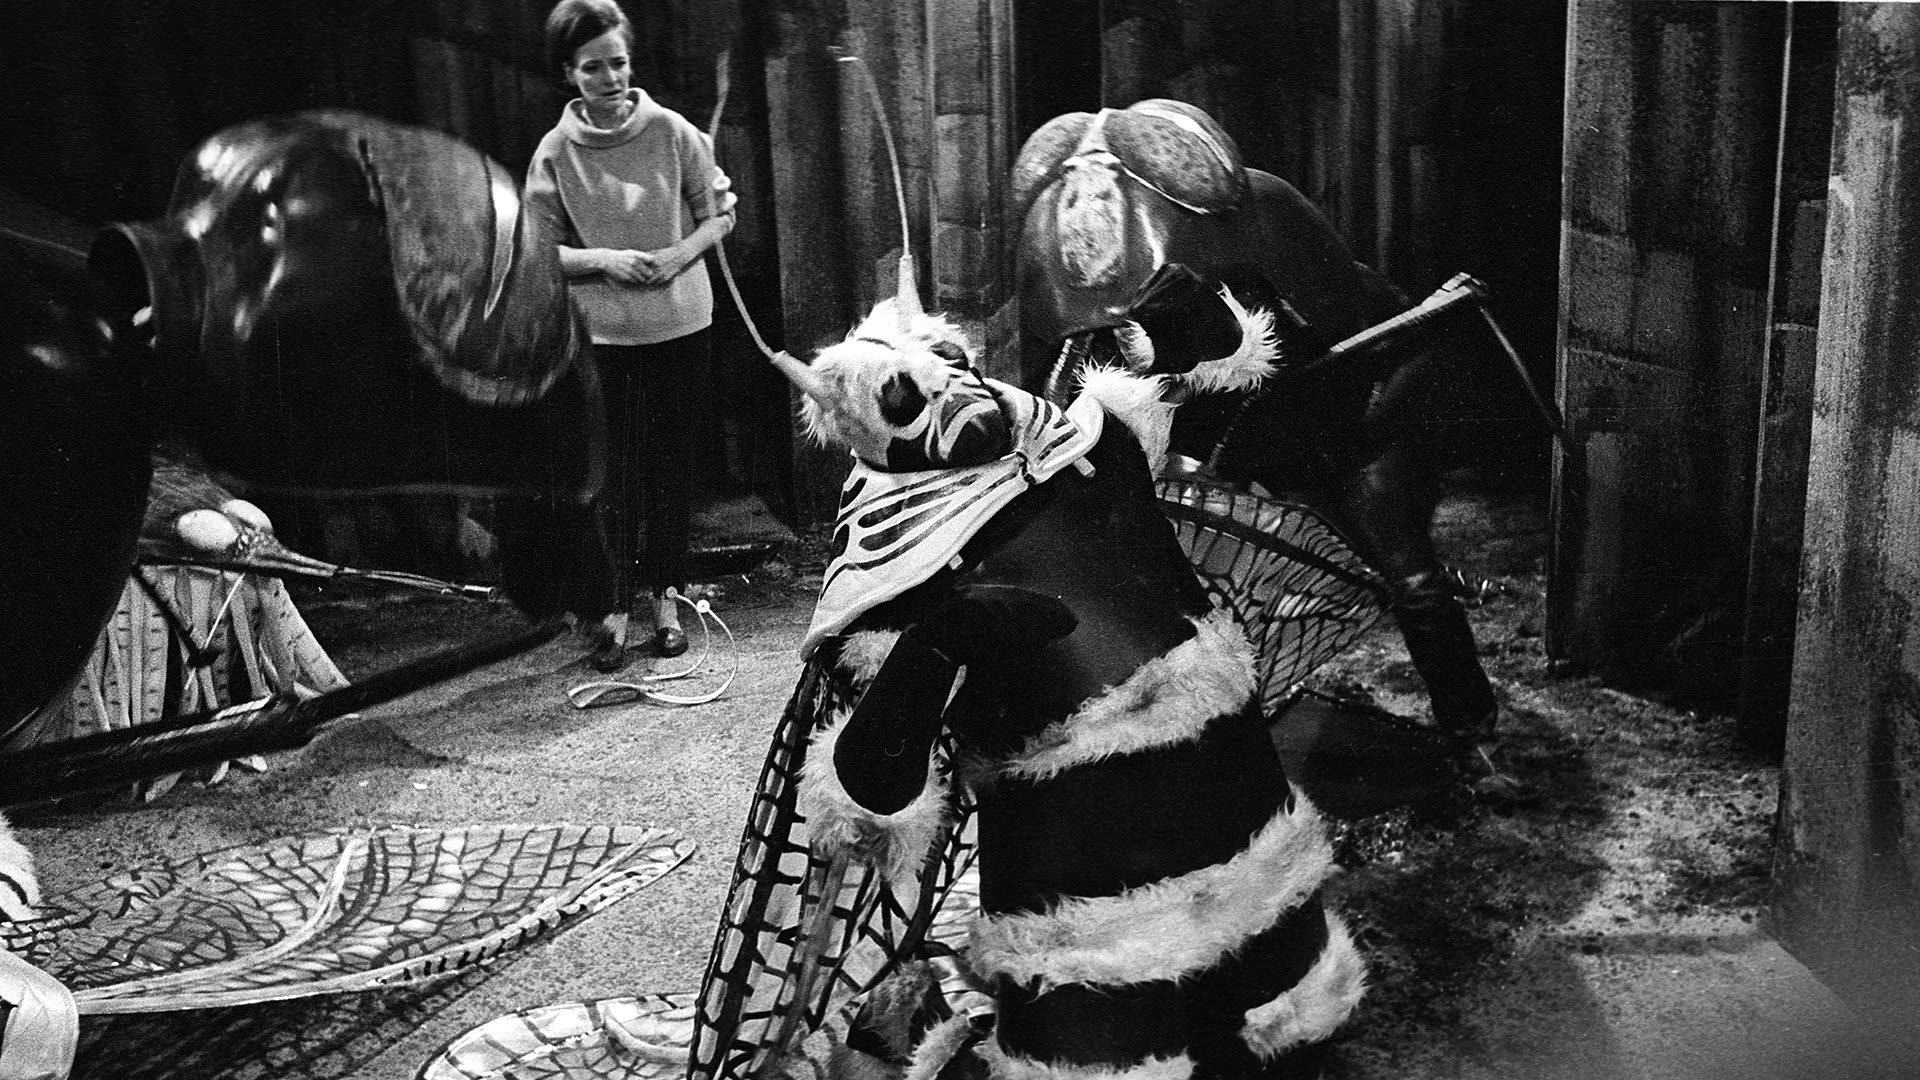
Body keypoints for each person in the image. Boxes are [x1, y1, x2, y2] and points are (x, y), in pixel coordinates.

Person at [527, 0, 735, 668]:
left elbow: (719, 214)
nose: (610, 78)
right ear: (569, 73)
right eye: (593, 68)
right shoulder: (556, 152)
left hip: (681, 327)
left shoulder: (672, 132)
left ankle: (668, 601)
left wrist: (679, 255)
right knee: (614, 478)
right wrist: (604, 261)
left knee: (671, 470)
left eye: (617, 62)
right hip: (604, 341)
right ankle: (615, 609)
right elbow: (536, 248)